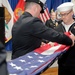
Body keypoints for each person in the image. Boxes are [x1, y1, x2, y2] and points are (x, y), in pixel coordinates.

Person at [55, 2, 75, 75]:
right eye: (61, 14)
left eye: (65, 14)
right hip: (62, 63)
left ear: (72, 12)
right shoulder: (57, 29)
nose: (63, 17)